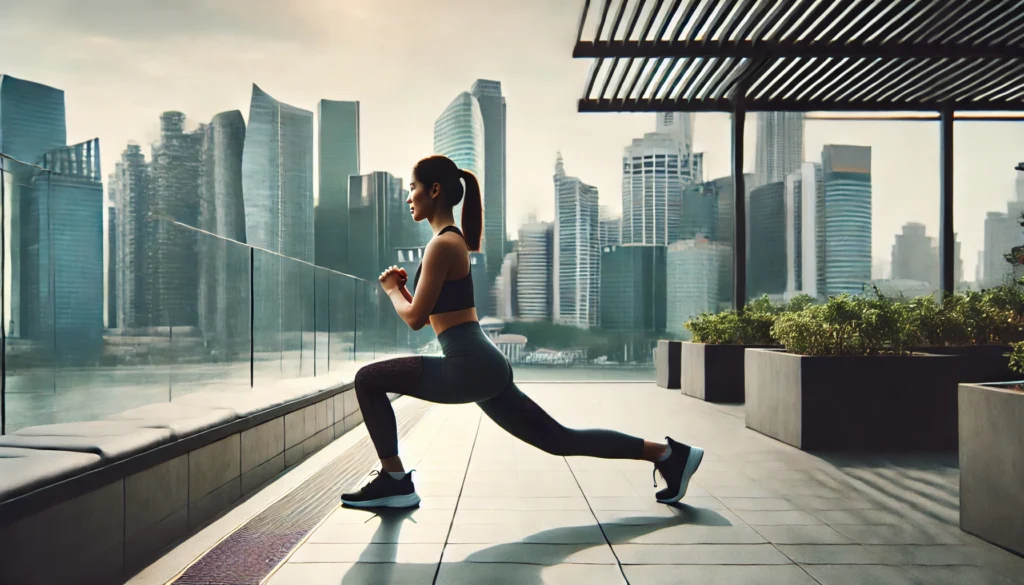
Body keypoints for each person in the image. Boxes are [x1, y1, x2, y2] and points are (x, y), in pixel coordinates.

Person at [340, 155, 704, 509]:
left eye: (413, 188)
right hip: (479, 363)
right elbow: (429, 309)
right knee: (559, 439)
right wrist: (403, 290)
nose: (408, 198)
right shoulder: (452, 242)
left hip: (468, 365)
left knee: (368, 379)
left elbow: (416, 319)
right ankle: (669, 454)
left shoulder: (442, 245)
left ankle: (395, 481)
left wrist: (390, 290)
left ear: (434, 190)